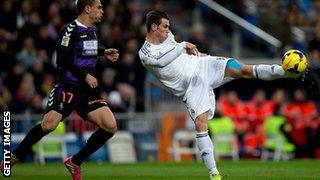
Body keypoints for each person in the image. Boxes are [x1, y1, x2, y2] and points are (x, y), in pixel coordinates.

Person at [138, 10, 296, 180]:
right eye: (165, 27)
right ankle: (214, 174)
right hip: (191, 86)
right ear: (153, 27)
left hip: (202, 65)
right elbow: (161, 62)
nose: (168, 31)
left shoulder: (168, 37)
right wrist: (182, 45)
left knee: (244, 70)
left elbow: (179, 55)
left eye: (169, 27)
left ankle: (287, 71)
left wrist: (201, 55)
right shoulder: (145, 53)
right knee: (201, 124)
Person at [0, 0, 119, 180]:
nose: (102, 11)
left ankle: (75, 161)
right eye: (99, 7)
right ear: (87, 9)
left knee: (110, 126)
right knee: (49, 125)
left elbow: (85, 50)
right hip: (68, 87)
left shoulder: (93, 30)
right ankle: (13, 157)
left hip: (87, 91)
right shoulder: (69, 30)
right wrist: (85, 75)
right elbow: (62, 60)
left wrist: (103, 52)